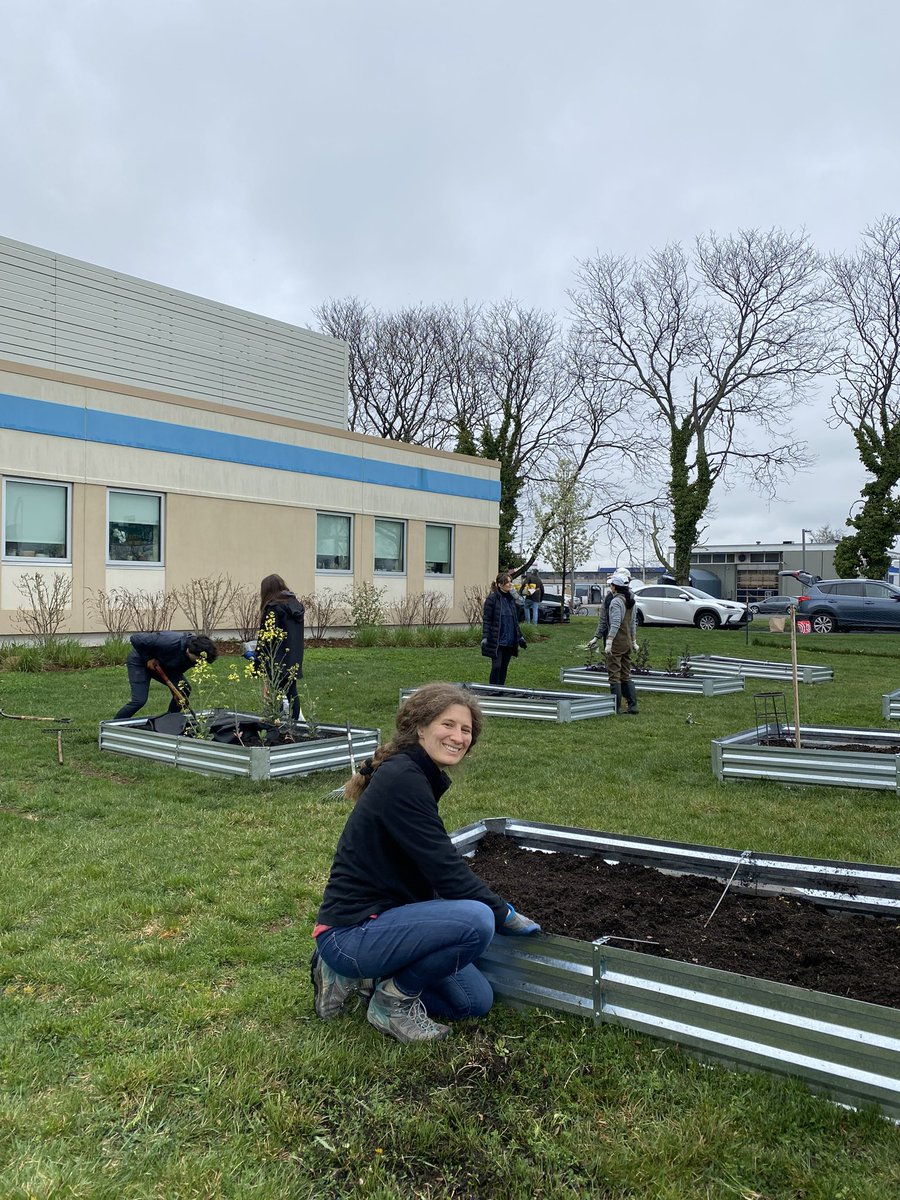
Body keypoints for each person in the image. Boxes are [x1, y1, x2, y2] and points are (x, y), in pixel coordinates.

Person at [310, 683, 541, 1043]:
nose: (458, 736)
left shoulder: (416, 776)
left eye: (466, 730)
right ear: (420, 728)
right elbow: (446, 871)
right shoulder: (403, 779)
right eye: (447, 725)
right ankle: (391, 1003)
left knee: (471, 1002)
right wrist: (505, 913)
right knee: (478, 919)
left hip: (388, 920)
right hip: (351, 932)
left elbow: (428, 865)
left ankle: (365, 979)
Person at [113, 631, 218, 720]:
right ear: (189, 651)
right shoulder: (169, 641)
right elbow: (135, 638)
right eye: (199, 660)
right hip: (140, 662)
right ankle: (111, 728)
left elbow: (176, 672)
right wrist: (148, 658)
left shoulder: (195, 656)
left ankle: (170, 722)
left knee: (183, 691)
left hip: (164, 666)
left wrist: (176, 691)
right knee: (139, 701)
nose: (200, 663)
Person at [588, 569, 638, 714]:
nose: (610, 587)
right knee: (626, 673)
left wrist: (609, 641)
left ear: (615, 587)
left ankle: (615, 707)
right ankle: (632, 705)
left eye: (611, 585)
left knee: (614, 674)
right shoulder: (631, 600)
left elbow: (615, 623)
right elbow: (632, 623)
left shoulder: (616, 601)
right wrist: (634, 641)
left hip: (617, 642)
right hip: (627, 641)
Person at [258, 574, 305, 720]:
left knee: (276, 692)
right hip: (293, 656)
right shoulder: (295, 606)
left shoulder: (273, 608)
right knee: (291, 691)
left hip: (277, 657)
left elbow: (266, 637)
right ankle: (294, 723)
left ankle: (276, 722)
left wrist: (259, 658)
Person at [481, 572, 527, 687]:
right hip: (497, 639)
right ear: (500, 584)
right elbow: (487, 620)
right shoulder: (492, 599)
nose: (510, 584)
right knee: (496, 666)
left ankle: (501, 689)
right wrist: (485, 637)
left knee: (504, 667)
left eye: (511, 582)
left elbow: (517, 617)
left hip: (510, 639)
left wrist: (520, 637)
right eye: (508, 582)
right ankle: (493, 689)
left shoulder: (511, 599)